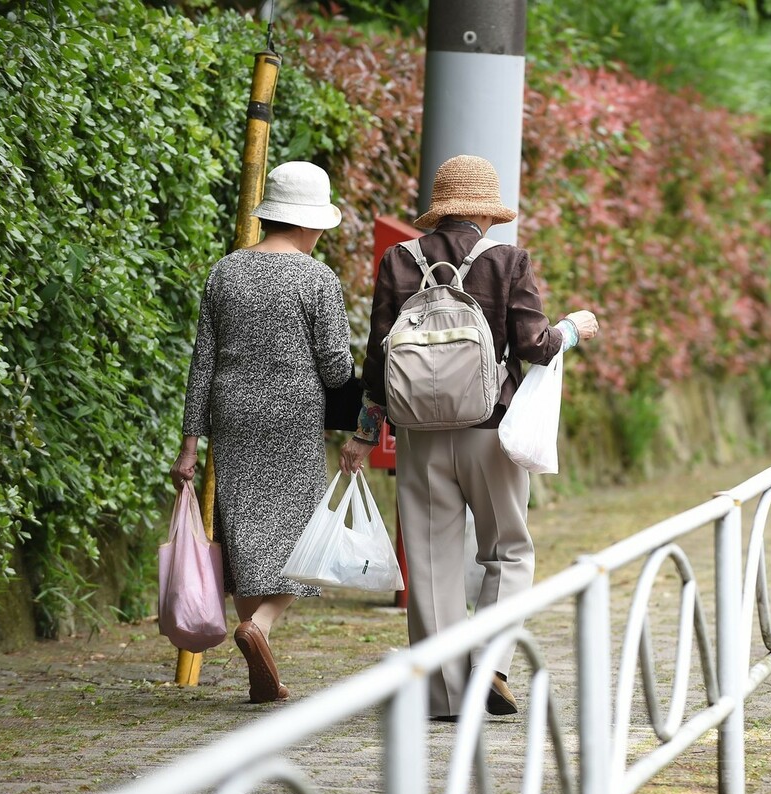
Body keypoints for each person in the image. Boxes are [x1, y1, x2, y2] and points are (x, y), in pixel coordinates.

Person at [339, 155, 598, 721]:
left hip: (419, 435)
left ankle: (444, 694)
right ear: (485, 211)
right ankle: (489, 664)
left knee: (430, 561)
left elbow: (378, 353)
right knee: (508, 549)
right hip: (490, 432)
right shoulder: (507, 261)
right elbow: (535, 346)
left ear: (440, 209)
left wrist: (364, 433)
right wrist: (573, 330)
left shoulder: (398, 260)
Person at [170, 161, 353, 704]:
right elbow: (335, 365)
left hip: (231, 414)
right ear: (308, 223)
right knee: (303, 535)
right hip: (293, 414)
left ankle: (261, 670)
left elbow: (202, 360)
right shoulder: (317, 278)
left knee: (246, 534)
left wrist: (189, 442)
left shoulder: (225, 271)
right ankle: (260, 629)